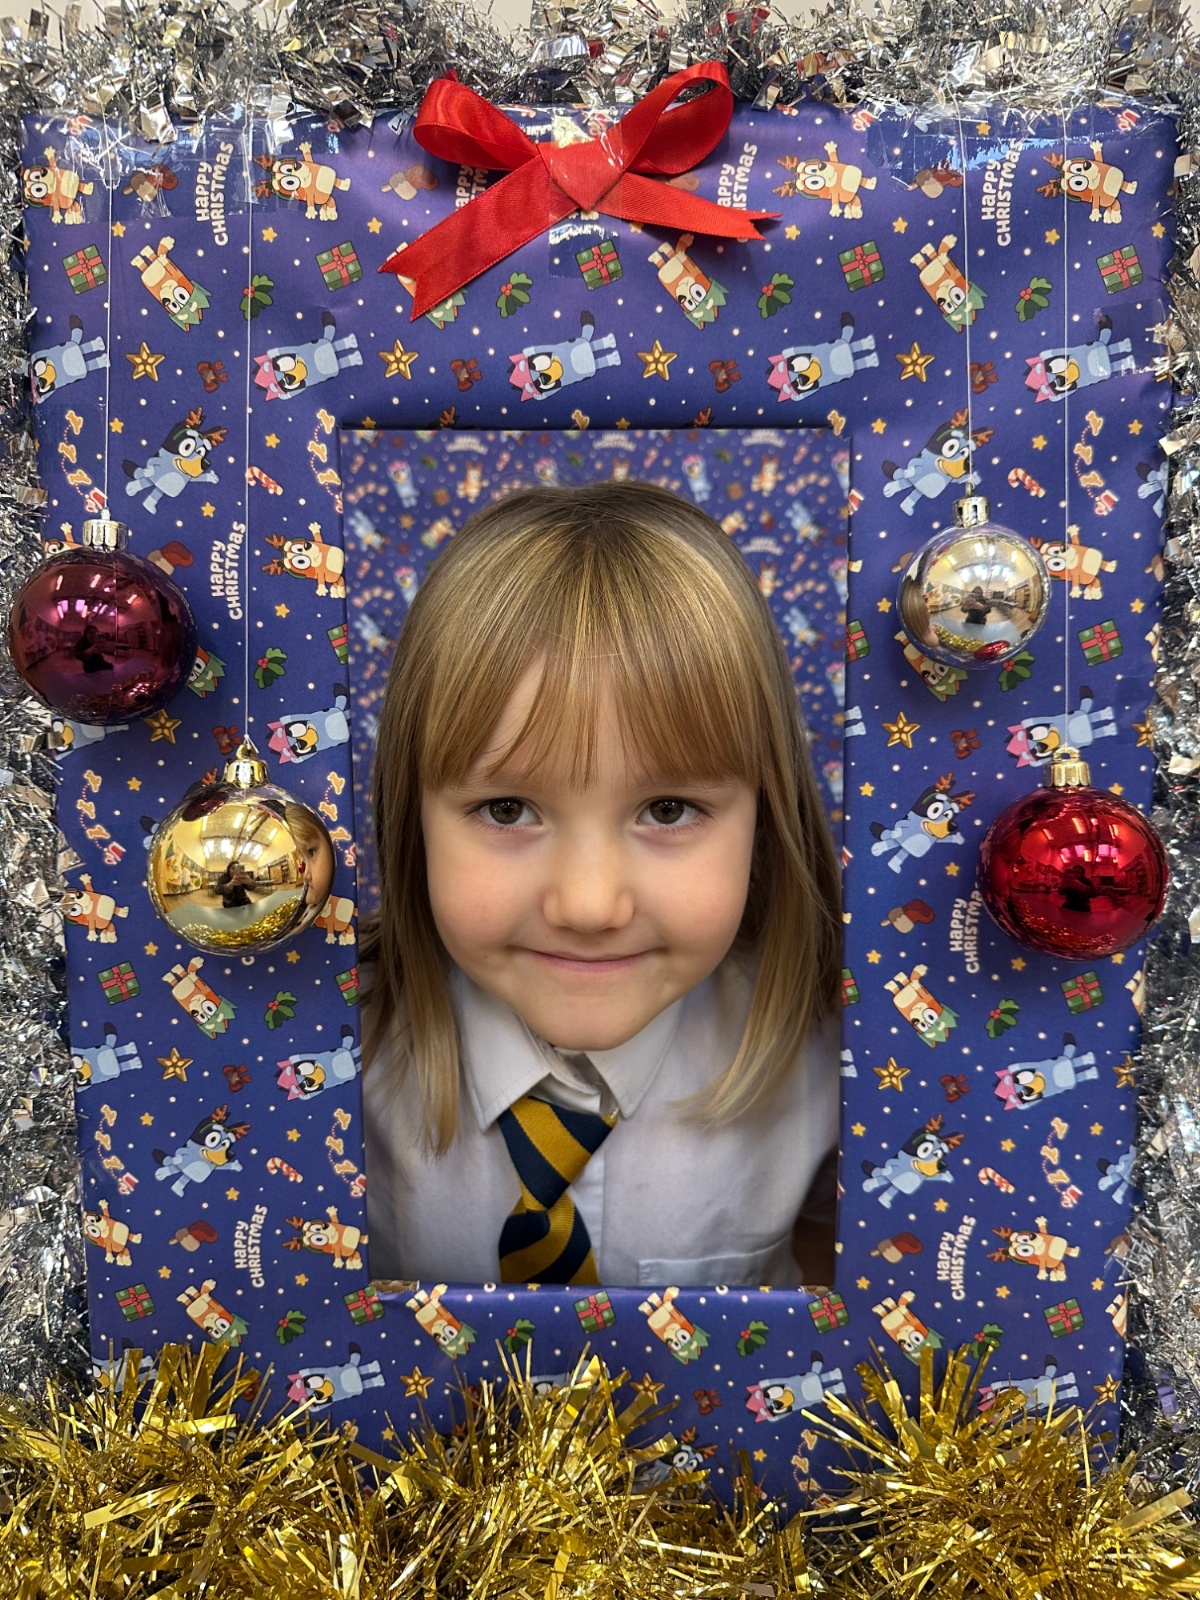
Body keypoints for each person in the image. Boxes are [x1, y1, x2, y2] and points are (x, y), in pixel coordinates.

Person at [360, 481, 843, 1288]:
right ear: (414, 819)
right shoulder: (325, 1056)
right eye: (507, 809)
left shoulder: (840, 1057)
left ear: (766, 818)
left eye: (668, 809)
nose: (589, 906)